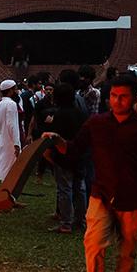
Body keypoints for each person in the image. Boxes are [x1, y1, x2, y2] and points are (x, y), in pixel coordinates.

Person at [47, 76, 137, 272]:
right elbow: (74, 150)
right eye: (113, 96)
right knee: (93, 245)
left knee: (127, 250)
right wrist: (57, 143)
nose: (117, 101)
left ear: (134, 98)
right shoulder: (96, 123)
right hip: (100, 195)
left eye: (123, 96)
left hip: (133, 197)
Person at [49, 83, 88, 233]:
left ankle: (66, 223)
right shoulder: (81, 112)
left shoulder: (59, 115)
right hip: (79, 154)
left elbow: (56, 137)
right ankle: (80, 221)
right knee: (80, 188)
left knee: (65, 188)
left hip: (63, 155)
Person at [0, 80, 21, 183]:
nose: (17, 91)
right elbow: (12, 125)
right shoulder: (11, 104)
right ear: (10, 91)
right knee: (10, 172)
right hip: (10, 141)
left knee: (4, 169)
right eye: (15, 89)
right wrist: (16, 143)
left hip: (2, 139)